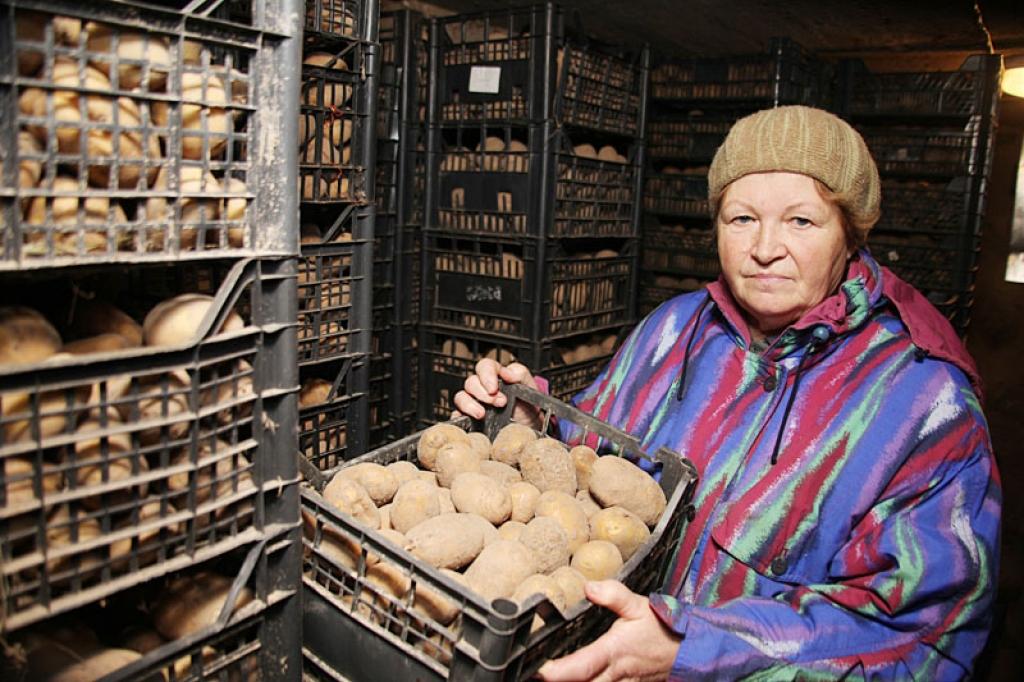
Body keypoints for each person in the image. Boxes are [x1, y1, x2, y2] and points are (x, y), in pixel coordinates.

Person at [454, 105, 1000, 680]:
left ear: (851, 233)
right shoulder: (676, 329)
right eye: (741, 219)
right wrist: (527, 418)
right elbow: (595, 453)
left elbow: (921, 639)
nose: (765, 248)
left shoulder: (925, 406)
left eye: (801, 222)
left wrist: (691, 650)